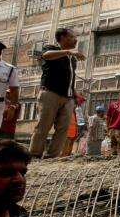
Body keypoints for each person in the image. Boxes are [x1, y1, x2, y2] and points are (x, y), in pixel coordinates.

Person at [28, 28, 85, 158]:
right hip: (50, 94)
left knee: (63, 128)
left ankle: (52, 156)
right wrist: (68, 52)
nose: (75, 40)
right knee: (43, 125)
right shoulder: (51, 49)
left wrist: (74, 94)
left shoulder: (72, 59)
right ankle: (34, 155)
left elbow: (70, 78)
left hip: (68, 97)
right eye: (72, 37)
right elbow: (46, 55)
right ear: (63, 38)